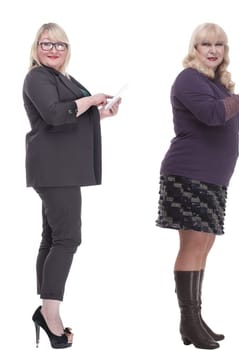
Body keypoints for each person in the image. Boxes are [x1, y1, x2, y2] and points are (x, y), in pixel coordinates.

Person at [156, 22, 239, 349]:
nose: (213, 50)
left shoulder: (218, 85)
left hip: (213, 177)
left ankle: (194, 320)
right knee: (193, 246)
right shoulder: (188, 80)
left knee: (204, 245)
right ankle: (189, 321)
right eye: (206, 44)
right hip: (189, 173)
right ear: (194, 49)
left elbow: (238, 122)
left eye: (219, 45)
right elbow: (213, 116)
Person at [22, 22, 122, 349]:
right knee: (68, 238)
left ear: (68, 50)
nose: (53, 49)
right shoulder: (37, 77)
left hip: (60, 168)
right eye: (46, 43)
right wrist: (91, 100)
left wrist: (101, 113)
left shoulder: (63, 78)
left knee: (53, 237)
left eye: (60, 45)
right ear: (36, 47)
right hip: (54, 169)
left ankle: (44, 309)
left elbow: (70, 118)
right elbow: (54, 115)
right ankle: (51, 315)